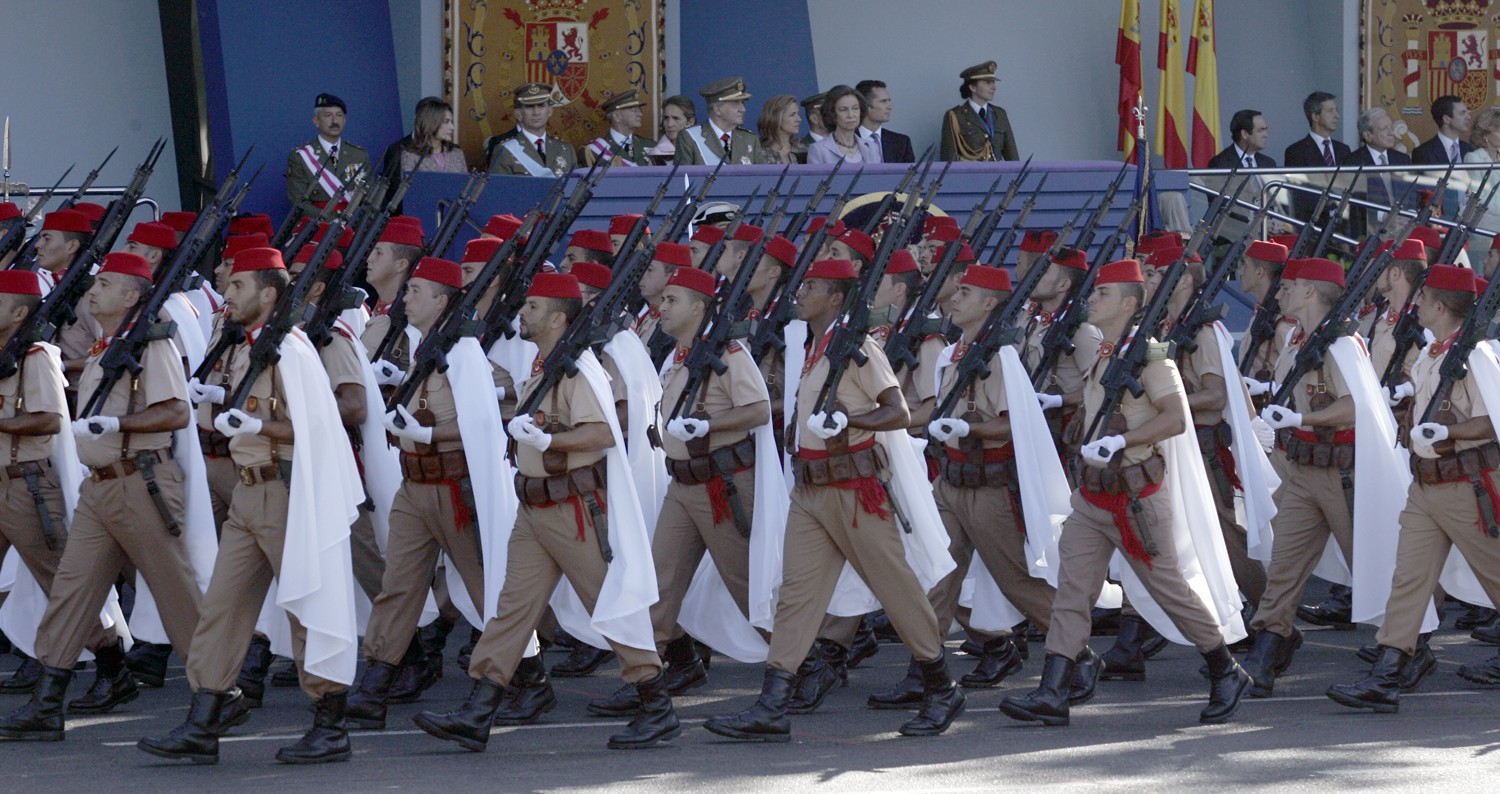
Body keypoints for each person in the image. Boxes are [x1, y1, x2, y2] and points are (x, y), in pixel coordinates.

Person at [412, 272, 682, 752]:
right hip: (535, 508)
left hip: (572, 510)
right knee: (511, 609)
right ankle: (479, 710)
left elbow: (603, 432)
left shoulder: (575, 369)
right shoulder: (547, 366)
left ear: (558, 318)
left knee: (612, 607)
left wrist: (549, 440)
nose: (523, 312)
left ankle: (655, 704)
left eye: (533, 306)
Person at [703, 259, 964, 742]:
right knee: (796, 596)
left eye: (813, 286)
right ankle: (773, 704)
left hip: (854, 490)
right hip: (810, 490)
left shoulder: (859, 348)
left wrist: (851, 420)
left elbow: (898, 412)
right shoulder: (814, 346)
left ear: (837, 298)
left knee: (896, 589)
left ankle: (941, 686)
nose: (801, 292)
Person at [999, 258, 1251, 728]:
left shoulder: (1153, 359)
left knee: (1169, 590)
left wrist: (1123, 441)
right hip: (1093, 498)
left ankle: (1226, 669)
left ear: (1130, 304)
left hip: (1135, 499)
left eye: (1103, 293)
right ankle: (1053, 691)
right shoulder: (1105, 353)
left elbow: (1175, 417)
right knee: (1073, 591)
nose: (1092, 299)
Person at [139, 246, 363, 765]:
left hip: (286, 492)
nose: (228, 294)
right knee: (222, 607)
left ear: (268, 294)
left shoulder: (291, 349)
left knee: (310, 606)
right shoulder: (247, 346)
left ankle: (331, 724)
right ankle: (205, 719)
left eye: (238, 286)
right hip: (248, 492)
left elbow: (316, 425)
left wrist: (259, 425)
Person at [0, 254, 200, 742]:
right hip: (100, 485)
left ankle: (217, 693)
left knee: (176, 594)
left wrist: (117, 424)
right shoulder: (103, 348)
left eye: (105, 284)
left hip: (140, 481)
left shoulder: (151, 345)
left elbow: (176, 410)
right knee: (70, 591)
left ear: (131, 296)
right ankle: (47, 704)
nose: (93, 290)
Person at [1326, 264, 1500, 710]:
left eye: (1423, 299)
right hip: (1425, 484)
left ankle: (1389, 672)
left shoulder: (1475, 355)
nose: (1416, 304)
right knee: (1408, 579)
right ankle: (1387, 675)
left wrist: (1449, 433)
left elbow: (1491, 421)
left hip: (1466, 486)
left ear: (1440, 307)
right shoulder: (1433, 352)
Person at [285, 93, 371, 213]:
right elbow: (298, 202)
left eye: (339, 115)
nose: (335, 121)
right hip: (317, 222)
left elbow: (369, 198)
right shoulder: (300, 156)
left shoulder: (360, 155)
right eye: (328, 115)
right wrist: (333, 220)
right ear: (316, 121)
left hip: (354, 221)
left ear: (344, 120)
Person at [1284, 92, 1351, 224]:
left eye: (1336, 110)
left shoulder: (1343, 149)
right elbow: (1299, 193)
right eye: (1330, 111)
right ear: (1315, 116)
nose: (1337, 115)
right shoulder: (1296, 151)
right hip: (1314, 224)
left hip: (1344, 224)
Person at [484, 83, 578, 177]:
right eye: (529, 106)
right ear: (518, 114)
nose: (536, 112)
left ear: (550, 111)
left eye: (541, 105)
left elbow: (577, 185)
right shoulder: (504, 151)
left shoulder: (566, 149)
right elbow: (499, 186)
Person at [1343, 108, 1412, 234]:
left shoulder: (1402, 159)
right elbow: (1354, 203)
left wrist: (1409, 214)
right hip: (1370, 231)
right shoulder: (1353, 162)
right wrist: (1384, 216)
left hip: (1402, 230)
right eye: (1384, 129)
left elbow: (1412, 194)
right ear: (1367, 135)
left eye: (1390, 127)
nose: (1391, 133)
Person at [674, 77, 765, 166]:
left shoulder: (750, 139)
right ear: (717, 109)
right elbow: (683, 175)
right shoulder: (690, 137)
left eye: (742, 103)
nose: (743, 109)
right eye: (736, 103)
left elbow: (762, 175)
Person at [940, 61, 1018, 162]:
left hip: (998, 172)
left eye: (993, 82)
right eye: (987, 82)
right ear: (973, 87)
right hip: (970, 172)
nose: (993, 87)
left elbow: (1013, 157)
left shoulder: (1000, 114)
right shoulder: (956, 116)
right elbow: (949, 159)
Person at [381, 96, 468, 177]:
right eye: (446, 122)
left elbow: (467, 185)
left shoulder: (457, 153)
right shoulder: (409, 155)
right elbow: (406, 187)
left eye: (451, 122)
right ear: (430, 123)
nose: (452, 127)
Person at [807, 85, 882, 165]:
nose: (851, 115)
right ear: (832, 114)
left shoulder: (872, 147)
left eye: (855, 108)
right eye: (843, 110)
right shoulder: (818, 150)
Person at [580, 90, 656, 168]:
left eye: (640, 110)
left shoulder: (652, 146)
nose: (640, 114)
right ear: (617, 116)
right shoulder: (593, 150)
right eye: (633, 110)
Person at [856, 80, 915, 164]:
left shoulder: (901, 142)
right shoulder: (847, 140)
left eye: (889, 101)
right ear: (865, 105)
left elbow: (910, 171)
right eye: (883, 101)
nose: (890, 107)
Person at [1463, 107, 1500, 236]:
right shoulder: (1473, 158)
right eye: (1499, 131)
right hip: (1486, 227)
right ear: (1485, 135)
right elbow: (1479, 198)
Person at [1412, 95, 1475, 164]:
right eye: (1462, 113)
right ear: (1446, 119)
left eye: (1467, 113)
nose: (1468, 117)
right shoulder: (1423, 153)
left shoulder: (1471, 150)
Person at [1207, 109, 1275, 169]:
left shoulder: (1269, 163)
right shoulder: (1219, 163)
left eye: (1265, 129)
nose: (1266, 135)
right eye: (1260, 130)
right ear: (1244, 134)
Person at [645, 94, 695, 163]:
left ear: (690, 122)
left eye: (676, 118)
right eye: (666, 118)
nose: (669, 124)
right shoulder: (657, 154)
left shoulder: (702, 148)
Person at [758, 93, 806, 165]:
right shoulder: (759, 153)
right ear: (776, 118)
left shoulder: (804, 150)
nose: (799, 119)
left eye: (798, 114)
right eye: (792, 115)